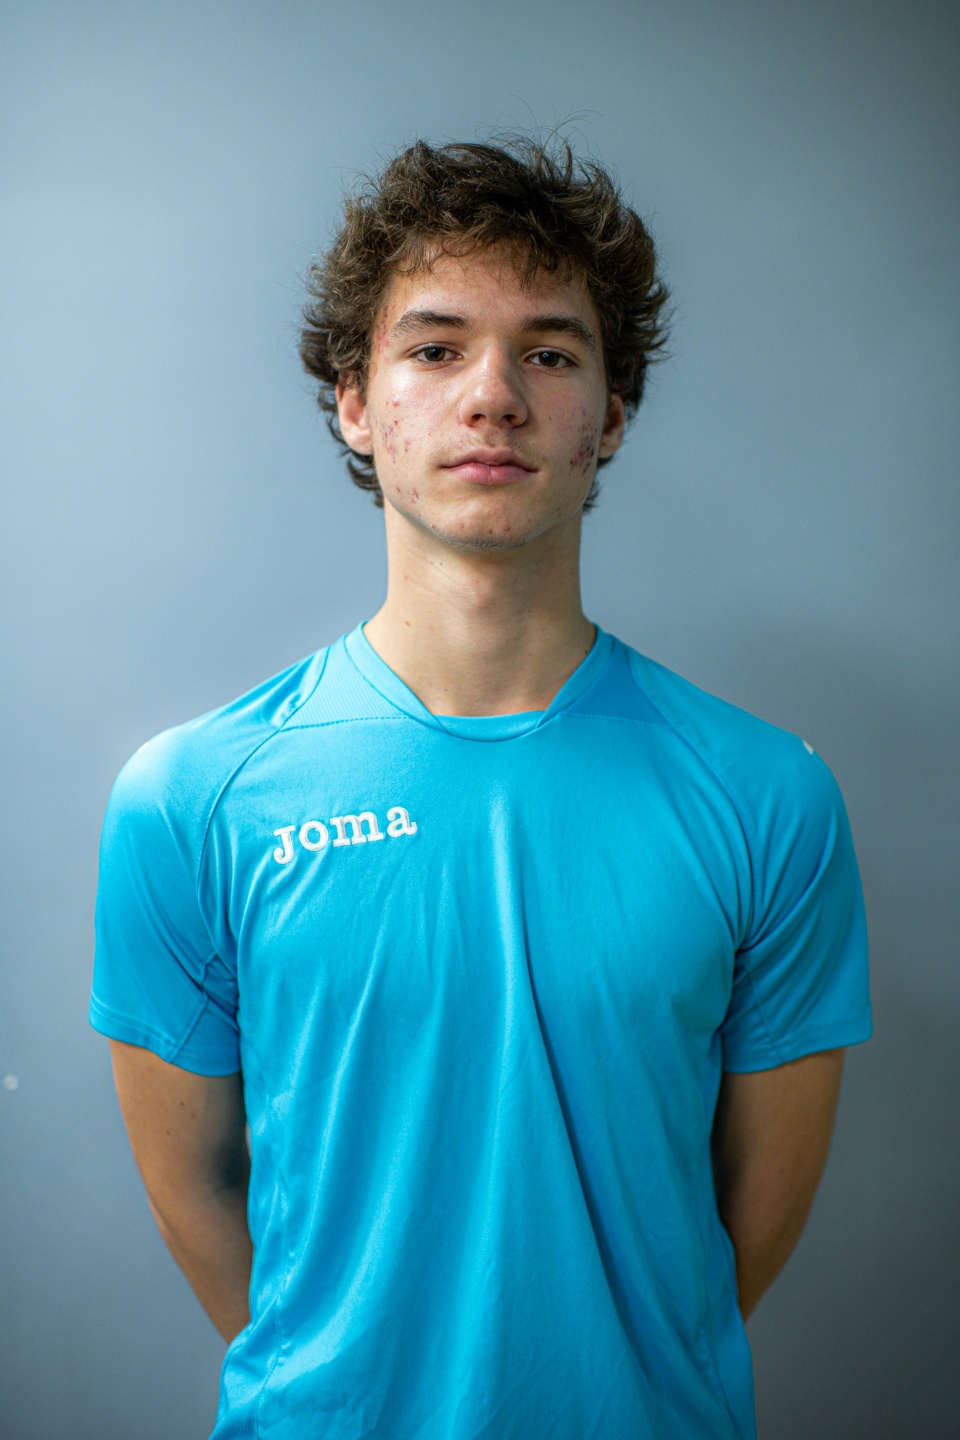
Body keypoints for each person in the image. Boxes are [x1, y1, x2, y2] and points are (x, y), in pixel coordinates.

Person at [90, 136, 872, 1439]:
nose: (494, 396)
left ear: (610, 415)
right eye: (437, 348)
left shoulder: (769, 798)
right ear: (356, 402)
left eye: (551, 354)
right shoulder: (192, 800)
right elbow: (201, 1204)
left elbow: (747, 1226)